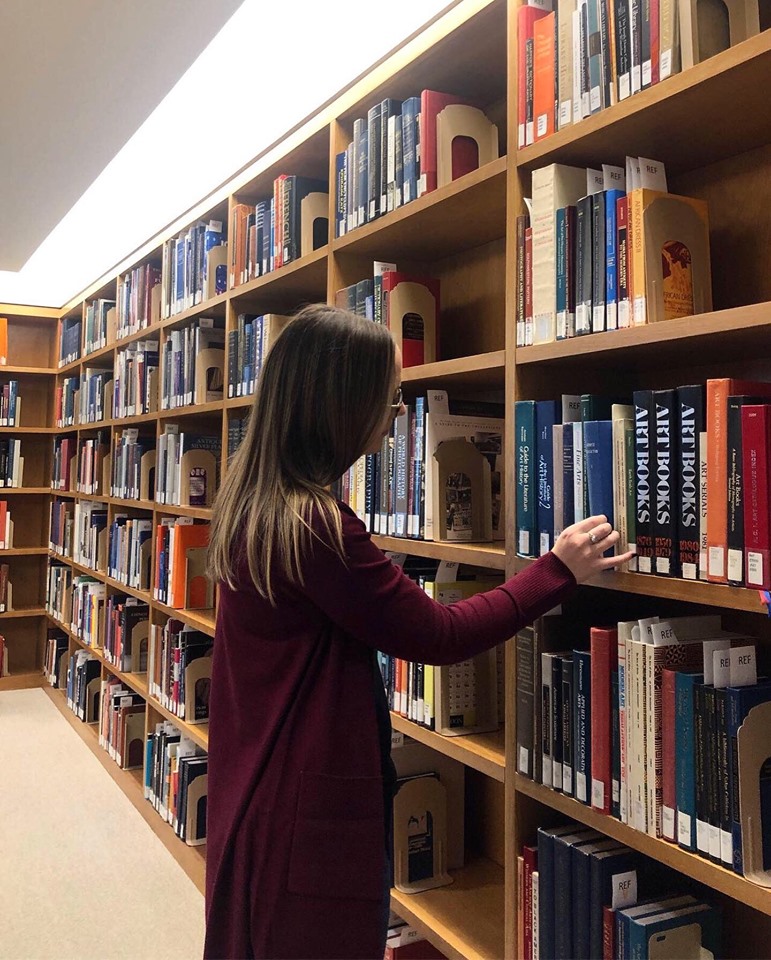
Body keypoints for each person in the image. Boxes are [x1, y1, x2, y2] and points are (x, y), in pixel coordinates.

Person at [204, 304, 633, 960]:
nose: (396, 414)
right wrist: (556, 570)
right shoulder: (316, 526)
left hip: (260, 791)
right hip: (300, 820)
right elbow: (437, 634)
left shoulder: (255, 505)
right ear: (340, 406)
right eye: (388, 397)